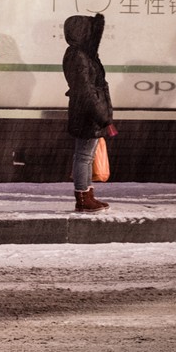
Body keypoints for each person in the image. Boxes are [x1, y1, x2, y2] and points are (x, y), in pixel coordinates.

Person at [62, 12, 113, 213]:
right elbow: (86, 90)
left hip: (88, 112)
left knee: (87, 155)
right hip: (87, 114)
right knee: (83, 156)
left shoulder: (81, 54)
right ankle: (83, 197)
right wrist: (103, 117)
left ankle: (88, 194)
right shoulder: (79, 56)